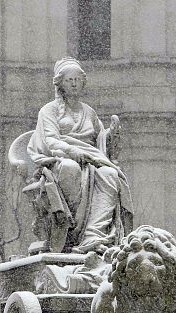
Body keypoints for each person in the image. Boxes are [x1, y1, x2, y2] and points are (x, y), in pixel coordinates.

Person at [27, 57, 133, 254]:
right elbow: (50, 141)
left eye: (77, 79)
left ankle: (93, 234)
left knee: (110, 174)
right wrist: (72, 151)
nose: (74, 83)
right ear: (60, 84)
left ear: (83, 82)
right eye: (69, 80)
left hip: (90, 160)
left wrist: (111, 135)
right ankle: (71, 231)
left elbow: (99, 141)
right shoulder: (48, 110)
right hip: (60, 160)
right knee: (71, 168)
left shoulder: (89, 112)